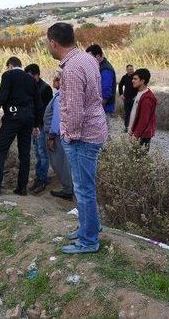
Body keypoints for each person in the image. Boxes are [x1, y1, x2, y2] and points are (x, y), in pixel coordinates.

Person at [47, 23, 108, 254]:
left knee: (83, 189)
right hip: (94, 130)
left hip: (82, 137)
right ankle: (89, 226)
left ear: (53, 42)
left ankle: (89, 240)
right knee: (85, 187)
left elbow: (73, 111)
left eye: (47, 43)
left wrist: (68, 138)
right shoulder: (87, 58)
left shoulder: (71, 69)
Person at [0, 56, 41, 197]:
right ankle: (22, 188)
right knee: (24, 153)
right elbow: (38, 103)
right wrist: (36, 124)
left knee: (1, 150)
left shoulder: (8, 75)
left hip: (13, 116)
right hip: (28, 118)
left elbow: (3, 95)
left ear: (10, 65)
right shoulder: (31, 79)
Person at [43, 70, 73, 200]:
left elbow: (57, 119)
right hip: (64, 134)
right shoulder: (64, 95)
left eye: (57, 79)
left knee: (60, 162)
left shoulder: (60, 97)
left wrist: (51, 137)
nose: (54, 81)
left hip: (58, 136)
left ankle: (67, 189)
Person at [25, 64, 53, 194]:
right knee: (36, 152)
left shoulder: (45, 88)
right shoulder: (30, 86)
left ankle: (43, 179)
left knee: (43, 153)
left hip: (41, 125)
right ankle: (38, 177)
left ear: (37, 75)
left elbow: (45, 111)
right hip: (33, 124)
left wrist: (38, 125)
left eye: (30, 76)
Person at [85, 44, 117, 124]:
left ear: (98, 56)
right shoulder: (99, 67)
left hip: (105, 109)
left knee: (104, 134)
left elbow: (105, 93)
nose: (88, 61)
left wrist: (98, 112)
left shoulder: (106, 69)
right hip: (100, 109)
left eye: (90, 58)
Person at [128, 68, 157, 149]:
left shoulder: (147, 98)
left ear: (142, 81)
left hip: (142, 135)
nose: (132, 81)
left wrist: (136, 135)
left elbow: (144, 120)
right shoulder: (140, 93)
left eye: (135, 79)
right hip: (136, 133)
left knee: (140, 159)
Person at [118, 65, 137, 132]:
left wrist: (137, 96)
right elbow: (120, 85)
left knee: (135, 113)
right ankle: (126, 128)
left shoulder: (136, 77)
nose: (131, 70)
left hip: (135, 98)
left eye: (132, 69)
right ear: (127, 70)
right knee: (127, 113)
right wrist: (121, 94)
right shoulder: (124, 77)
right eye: (130, 69)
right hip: (126, 98)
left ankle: (134, 128)